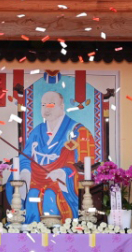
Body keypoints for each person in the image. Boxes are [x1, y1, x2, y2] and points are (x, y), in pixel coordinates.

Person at [20, 89, 95, 222]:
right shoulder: (36, 131)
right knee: (32, 195)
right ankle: (32, 232)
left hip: (62, 183)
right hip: (37, 181)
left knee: (50, 196)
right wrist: (25, 171)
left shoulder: (78, 131)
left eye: (51, 104)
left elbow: (85, 165)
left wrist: (63, 172)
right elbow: (25, 156)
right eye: (43, 105)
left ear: (62, 106)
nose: (46, 109)